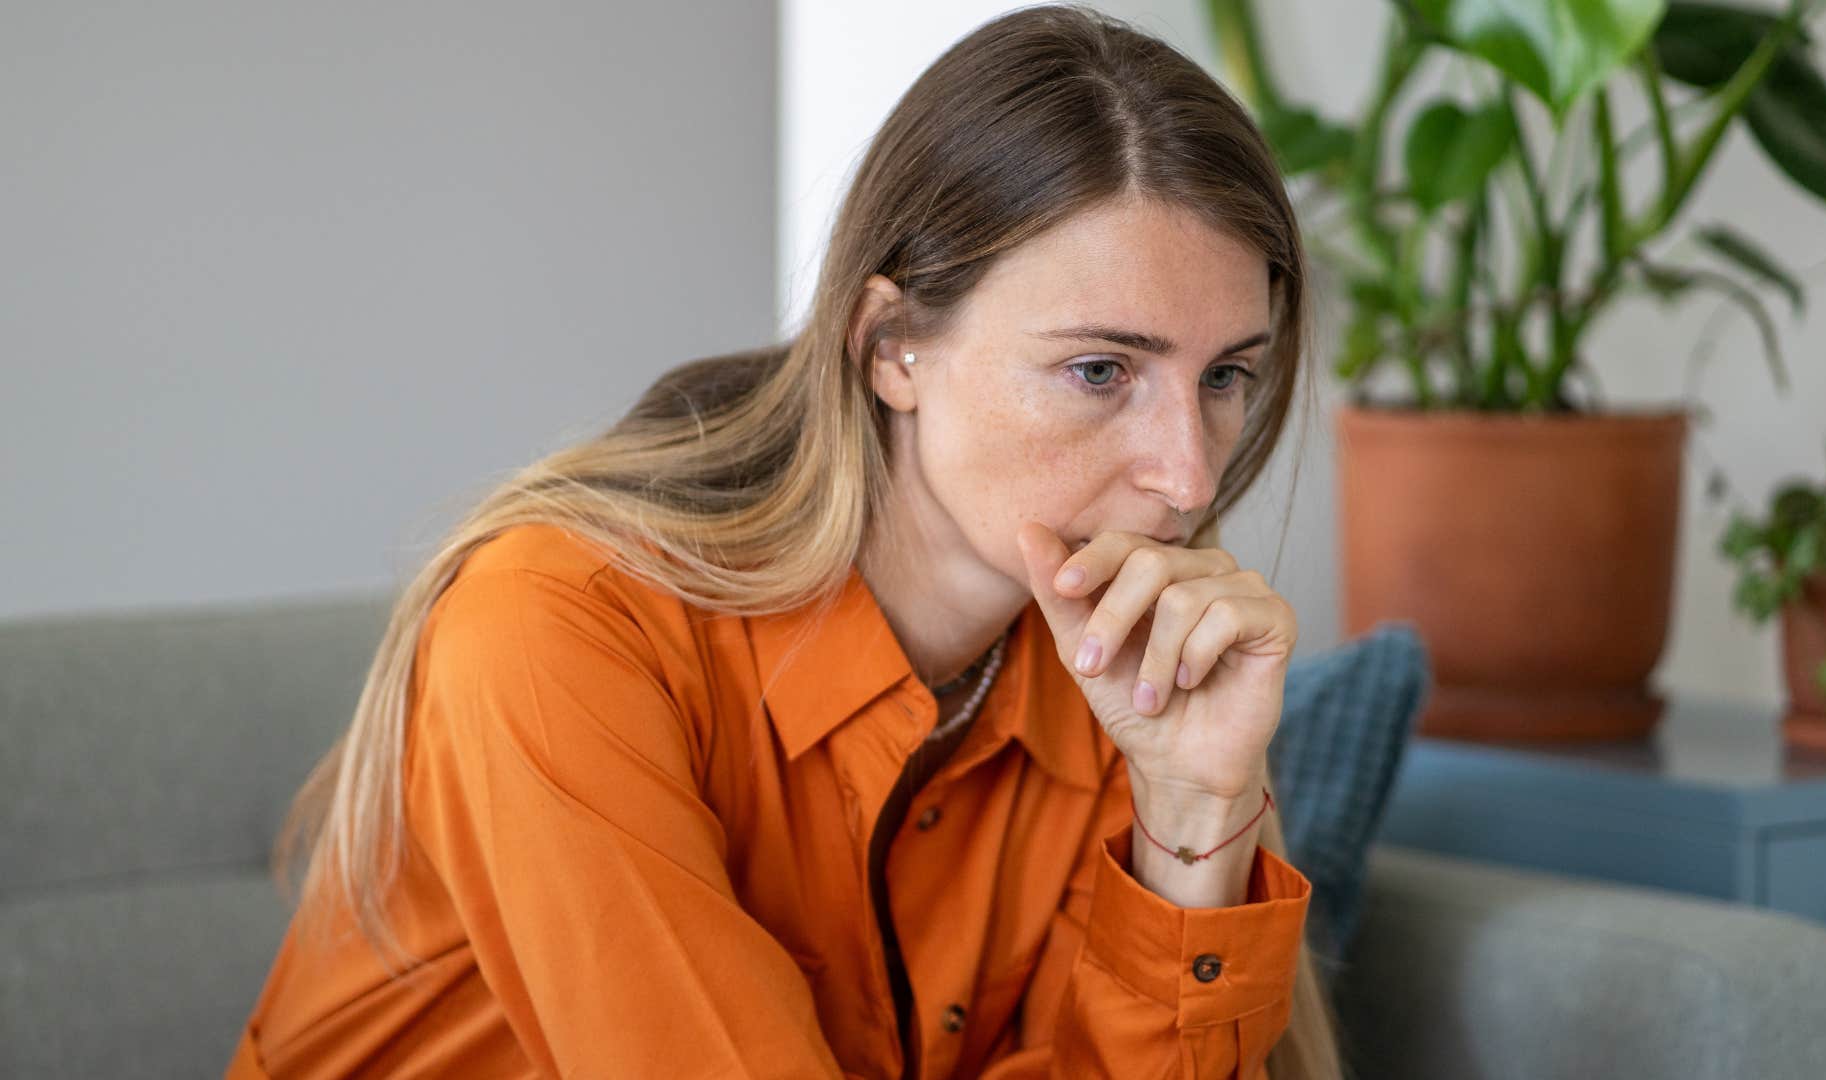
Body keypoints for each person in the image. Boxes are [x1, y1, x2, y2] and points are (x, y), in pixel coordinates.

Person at [227, 3, 1346, 1076]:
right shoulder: (553, 623)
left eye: (1225, 377)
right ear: (891, 347)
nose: (1188, 473)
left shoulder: (1116, 689)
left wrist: (1196, 811)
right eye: (1100, 371)